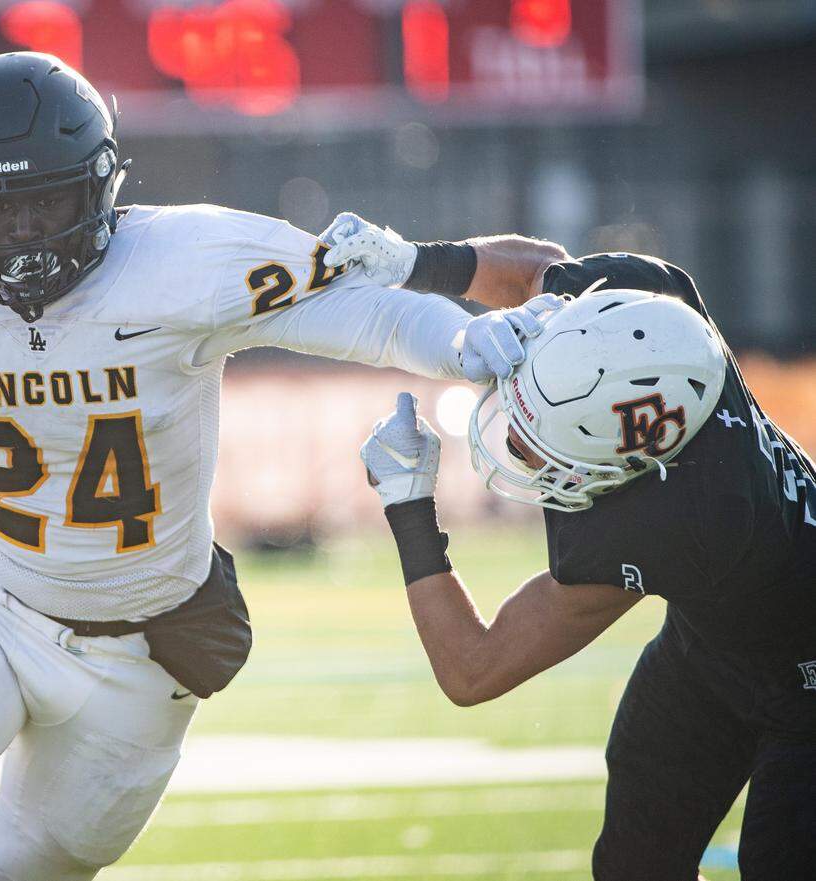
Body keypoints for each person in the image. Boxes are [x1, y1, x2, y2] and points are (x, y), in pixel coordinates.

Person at [0, 53, 567, 881]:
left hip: (141, 654)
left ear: (99, 187)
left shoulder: (185, 263)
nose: (23, 234)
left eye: (45, 202)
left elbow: (367, 311)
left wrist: (461, 341)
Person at [334, 214, 816, 881]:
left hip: (801, 680)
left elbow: (473, 669)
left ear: (627, 463)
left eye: (543, 446)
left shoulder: (682, 525)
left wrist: (407, 503)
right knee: (632, 866)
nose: (516, 446)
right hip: (713, 645)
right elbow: (540, 269)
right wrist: (411, 260)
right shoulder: (648, 307)